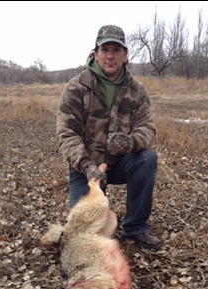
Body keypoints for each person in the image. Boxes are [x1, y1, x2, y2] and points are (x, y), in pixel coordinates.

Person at [56, 25, 163, 250]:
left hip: (121, 162)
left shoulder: (137, 90)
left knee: (146, 159)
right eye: (105, 49)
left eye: (116, 49)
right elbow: (67, 134)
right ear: (95, 54)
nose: (110, 55)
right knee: (85, 237)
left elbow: (147, 128)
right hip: (86, 169)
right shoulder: (76, 88)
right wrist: (87, 165)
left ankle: (135, 228)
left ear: (125, 56)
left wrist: (131, 142)